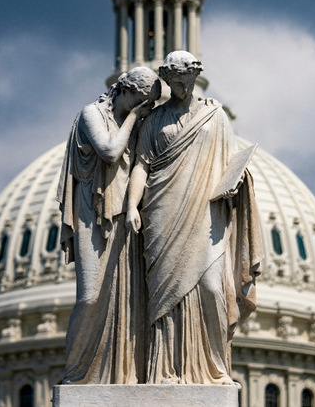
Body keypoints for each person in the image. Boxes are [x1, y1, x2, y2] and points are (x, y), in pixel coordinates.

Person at [126, 51, 262, 384]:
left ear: (195, 78)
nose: (182, 88)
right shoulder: (153, 120)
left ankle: (214, 369)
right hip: (161, 210)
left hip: (206, 212)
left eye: (187, 81)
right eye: (175, 83)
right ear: (167, 81)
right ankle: (165, 370)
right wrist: (131, 206)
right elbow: (141, 165)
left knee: (212, 288)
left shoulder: (215, 116)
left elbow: (232, 162)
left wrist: (238, 182)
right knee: (163, 295)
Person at [57, 66, 160, 384]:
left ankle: (121, 372)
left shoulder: (141, 124)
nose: (144, 109)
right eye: (142, 101)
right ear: (126, 90)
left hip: (124, 219)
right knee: (90, 298)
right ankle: (77, 373)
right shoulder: (92, 114)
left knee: (125, 302)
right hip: (92, 216)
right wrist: (135, 117)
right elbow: (110, 151)